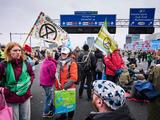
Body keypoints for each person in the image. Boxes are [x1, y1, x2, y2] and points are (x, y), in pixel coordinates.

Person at [0, 42, 35, 120]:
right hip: (11, 98)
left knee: (26, 118)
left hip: (25, 96)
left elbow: (32, 75)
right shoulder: (3, 64)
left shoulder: (26, 63)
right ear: (9, 52)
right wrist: (5, 91)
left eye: (19, 50)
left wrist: (28, 84)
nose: (18, 52)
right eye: (15, 50)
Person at [55, 46, 78, 120]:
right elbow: (57, 74)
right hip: (61, 86)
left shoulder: (72, 63)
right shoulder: (59, 61)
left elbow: (74, 78)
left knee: (70, 104)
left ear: (68, 54)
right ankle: (63, 115)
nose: (63, 55)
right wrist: (58, 85)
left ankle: (70, 118)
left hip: (69, 87)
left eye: (65, 54)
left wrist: (64, 87)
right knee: (62, 103)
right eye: (62, 53)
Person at [39, 49, 57, 118]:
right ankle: (46, 112)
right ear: (52, 55)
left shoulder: (45, 61)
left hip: (43, 82)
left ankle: (51, 108)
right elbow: (53, 75)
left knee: (49, 96)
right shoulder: (51, 63)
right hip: (48, 83)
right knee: (49, 98)